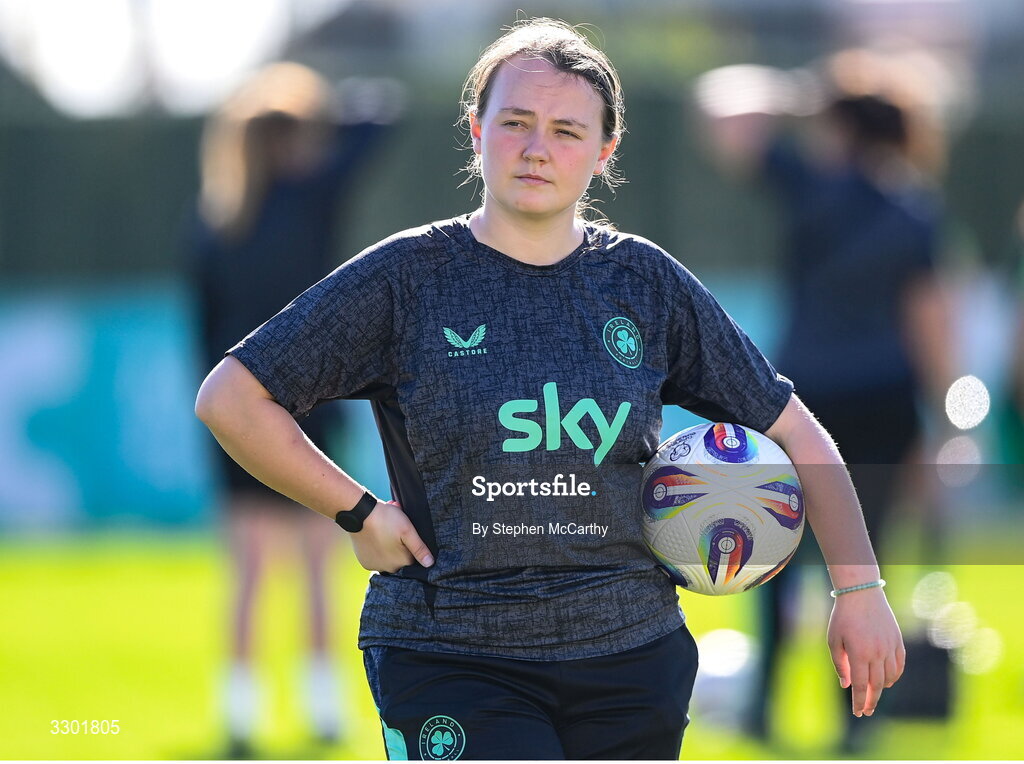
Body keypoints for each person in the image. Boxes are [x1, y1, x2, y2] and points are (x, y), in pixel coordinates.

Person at [195, 20, 905, 759]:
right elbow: (233, 398)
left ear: (604, 152)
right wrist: (357, 513)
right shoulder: (406, 278)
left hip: (632, 654)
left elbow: (798, 433)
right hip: (449, 657)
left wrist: (859, 592)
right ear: (476, 130)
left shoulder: (645, 284)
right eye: (515, 123)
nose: (537, 148)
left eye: (568, 130)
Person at [695, 51, 954, 750]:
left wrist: (795, 97)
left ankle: (763, 708)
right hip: (886, 401)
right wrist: (945, 422)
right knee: (863, 564)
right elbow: (929, 319)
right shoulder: (914, 206)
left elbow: (720, 109)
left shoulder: (812, 186)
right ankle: (857, 721)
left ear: (837, 124)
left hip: (801, 403)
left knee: (772, 553)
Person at [187, 61, 397, 755]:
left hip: (239, 418)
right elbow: (380, 120)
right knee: (316, 568)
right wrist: (322, 110)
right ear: (297, 133)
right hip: (312, 406)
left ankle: (241, 716)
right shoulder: (312, 196)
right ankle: (324, 708)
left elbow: (201, 343)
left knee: (247, 574)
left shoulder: (214, 223)